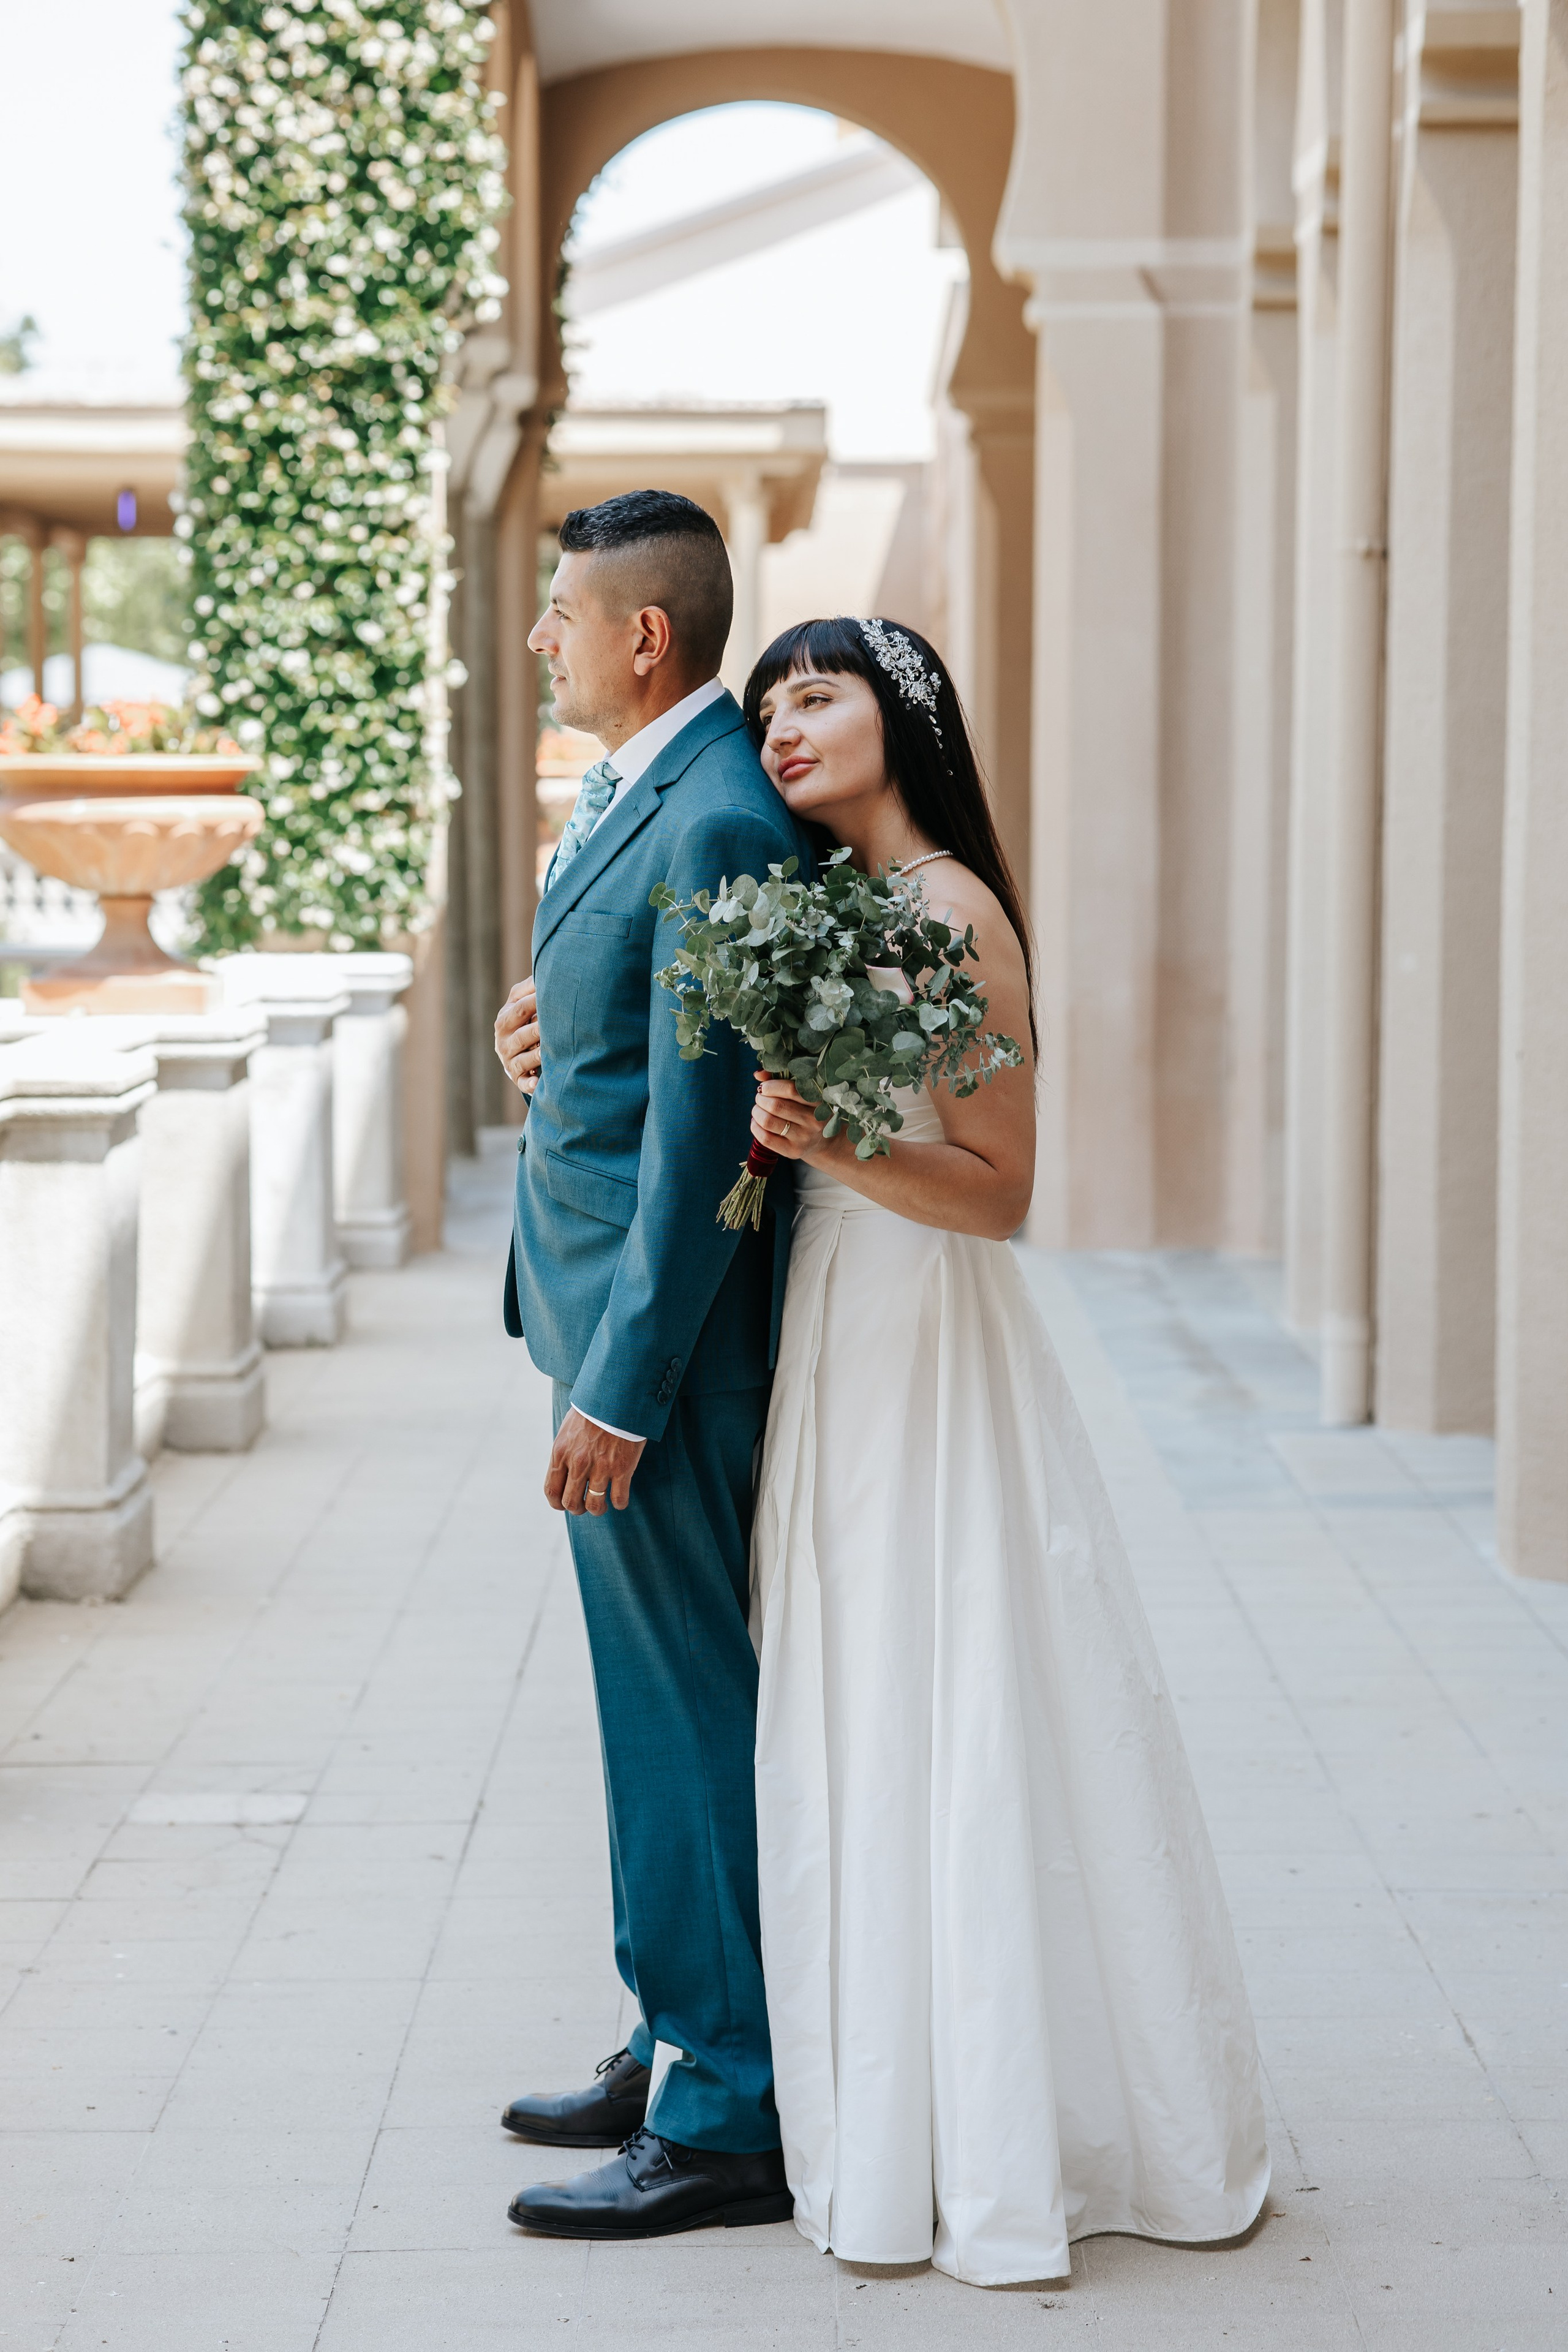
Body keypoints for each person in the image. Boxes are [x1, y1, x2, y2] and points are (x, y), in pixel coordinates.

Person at [741, 616, 1270, 2286]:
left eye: (814, 696)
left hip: (926, 1320)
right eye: (763, 711)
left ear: (902, 712)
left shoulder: (956, 911)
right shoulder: (811, 910)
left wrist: (836, 1139)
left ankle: (984, 2133)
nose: (782, 730)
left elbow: (1005, 1186)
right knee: (853, 1696)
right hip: (836, 1315)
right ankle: (883, 2117)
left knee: (941, 1685)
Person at [491, 490, 813, 2241]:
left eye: (562, 616)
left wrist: (622, 1386)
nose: (543, 639)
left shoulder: (716, 818)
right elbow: (616, 1051)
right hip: (597, 1312)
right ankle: (667, 2023)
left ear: (645, 636)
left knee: (688, 1702)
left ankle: (728, 2107)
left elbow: (706, 1142)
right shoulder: (641, 796)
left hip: (658, 1352)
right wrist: (526, 1032)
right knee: (646, 1706)